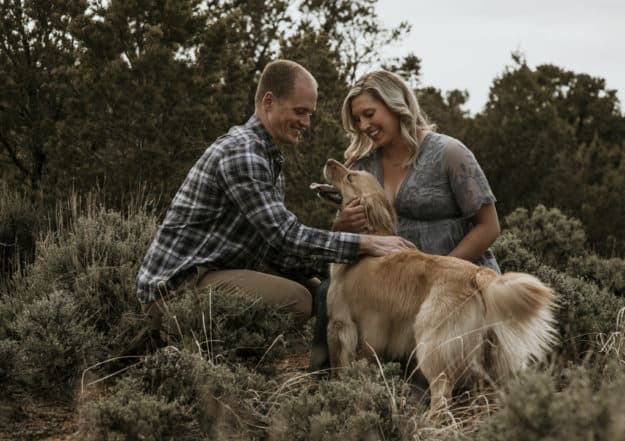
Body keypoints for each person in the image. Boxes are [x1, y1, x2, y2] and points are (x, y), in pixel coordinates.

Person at [133, 60, 415, 352]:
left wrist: (353, 267)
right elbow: (286, 237)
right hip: (176, 291)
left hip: (213, 274)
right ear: (269, 101)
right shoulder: (243, 152)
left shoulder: (267, 156)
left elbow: (276, 251)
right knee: (298, 299)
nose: (306, 123)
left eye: (309, 114)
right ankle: (205, 356)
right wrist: (363, 244)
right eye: (300, 111)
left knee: (319, 291)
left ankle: (318, 367)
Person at [310, 69, 501, 369]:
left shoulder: (449, 153)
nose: (364, 126)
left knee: (419, 387)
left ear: (396, 104)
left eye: (370, 114)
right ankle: (324, 384)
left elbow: (489, 227)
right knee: (326, 292)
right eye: (357, 120)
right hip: (391, 294)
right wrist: (341, 225)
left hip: (454, 285)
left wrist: (438, 275)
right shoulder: (362, 165)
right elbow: (344, 236)